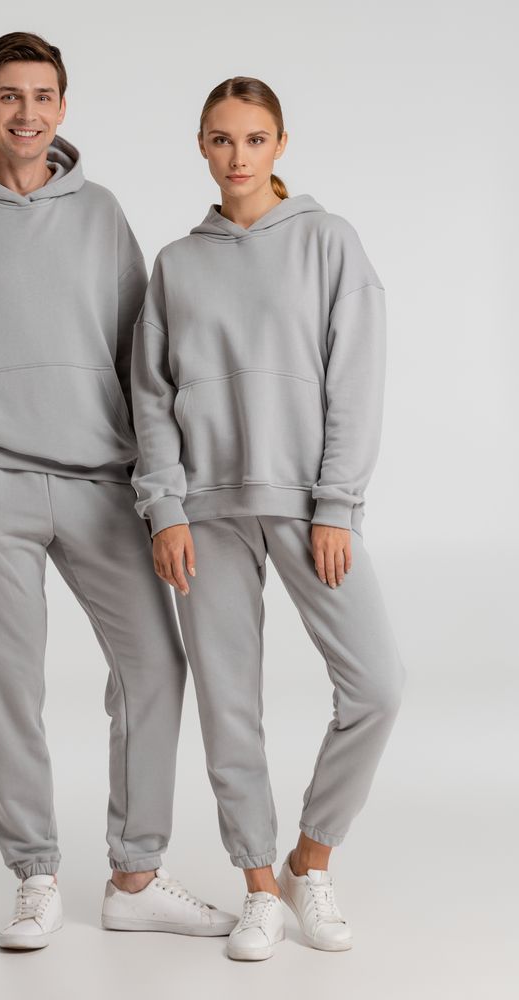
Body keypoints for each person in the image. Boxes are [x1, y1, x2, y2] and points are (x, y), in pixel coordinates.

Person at [0, 32, 237, 951]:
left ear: (62, 108)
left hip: (101, 483)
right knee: (10, 686)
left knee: (155, 668)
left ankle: (136, 875)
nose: (26, 113)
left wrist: (158, 485)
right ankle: (35, 875)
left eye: (42, 96)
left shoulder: (99, 213)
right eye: (9, 96)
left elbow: (142, 359)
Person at [129, 76, 407, 962]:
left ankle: (307, 862)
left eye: (254, 139)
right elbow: (150, 397)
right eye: (221, 139)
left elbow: (356, 381)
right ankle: (257, 885)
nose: (237, 156)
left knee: (376, 685)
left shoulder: (328, 242)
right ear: (201, 147)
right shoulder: (177, 264)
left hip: (306, 506)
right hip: (205, 514)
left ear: (280, 144)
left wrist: (337, 503)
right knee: (229, 703)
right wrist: (164, 506)